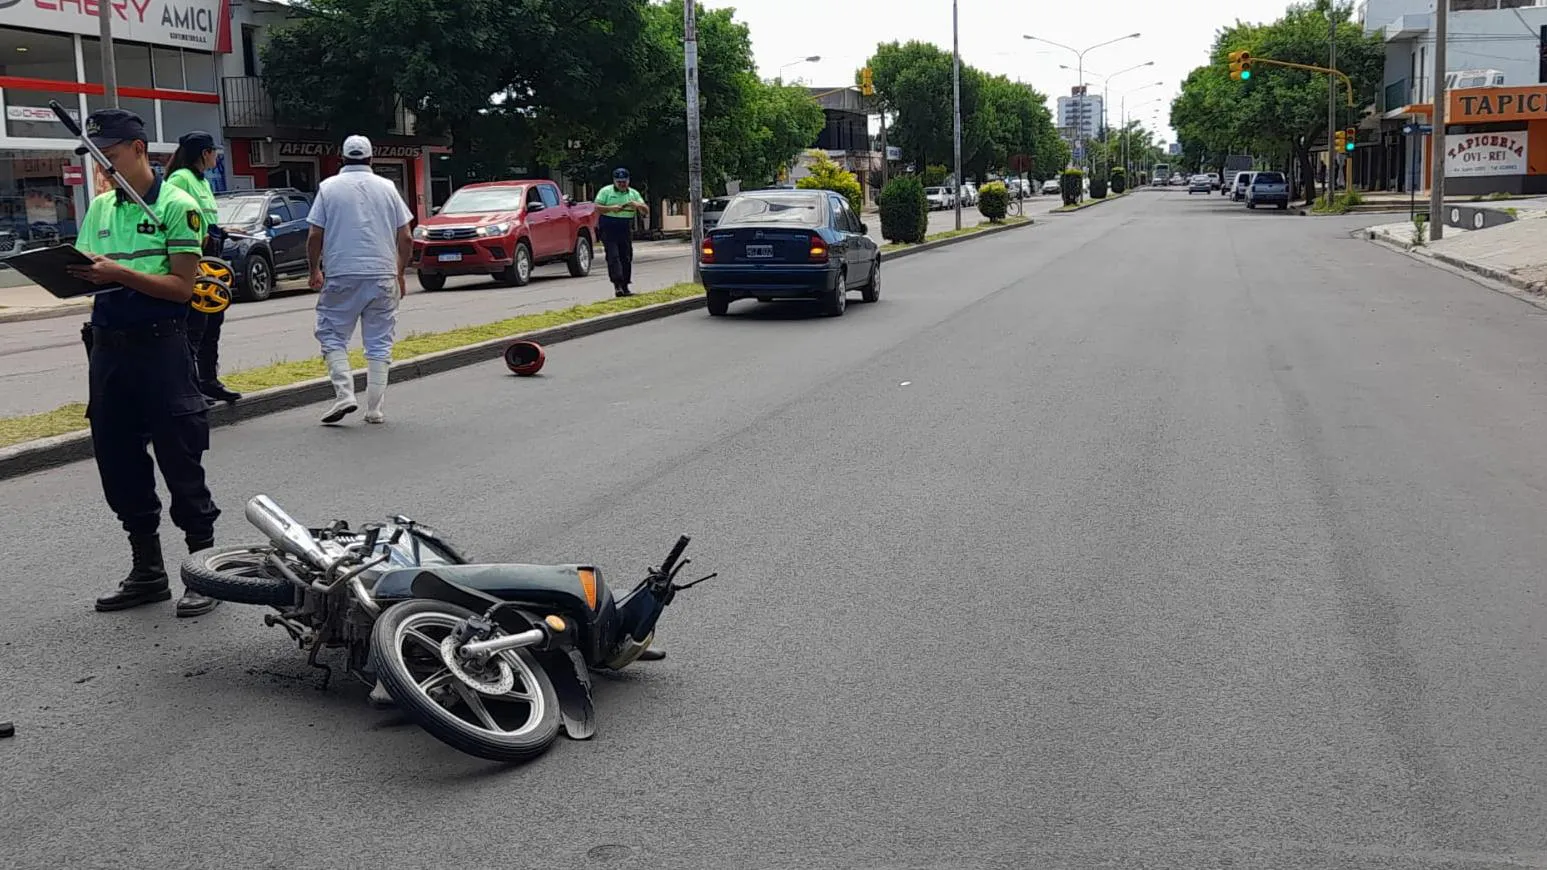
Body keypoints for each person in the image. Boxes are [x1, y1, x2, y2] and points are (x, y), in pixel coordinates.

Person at [67, 108, 222, 618]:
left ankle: (205, 569)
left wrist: (121, 274)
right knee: (118, 460)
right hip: (109, 350)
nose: (103, 172)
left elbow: (182, 288)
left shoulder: (178, 206)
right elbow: (90, 272)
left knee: (180, 457)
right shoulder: (101, 209)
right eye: (96, 163)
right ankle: (147, 571)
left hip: (161, 345)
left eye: (109, 159)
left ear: (138, 149)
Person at [306, 134, 414, 425]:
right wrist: (400, 272)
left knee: (331, 334)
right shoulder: (388, 188)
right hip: (382, 273)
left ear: (342, 158)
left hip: (342, 272)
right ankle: (375, 409)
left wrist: (314, 270)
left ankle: (344, 394)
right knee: (380, 343)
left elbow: (315, 235)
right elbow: (406, 237)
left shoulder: (328, 188)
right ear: (371, 158)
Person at [164, 130, 239, 406]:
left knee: (212, 322)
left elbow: (204, 218)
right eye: (214, 152)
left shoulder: (201, 180)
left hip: (212, 255)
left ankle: (209, 380)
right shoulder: (180, 179)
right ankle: (190, 388)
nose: (217, 156)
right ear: (204, 153)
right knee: (194, 326)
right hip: (195, 256)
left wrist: (223, 230)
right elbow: (180, 219)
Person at [593, 167, 649, 297]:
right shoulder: (606, 191)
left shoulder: (633, 193)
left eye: (624, 181)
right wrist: (611, 208)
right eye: (619, 182)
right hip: (608, 225)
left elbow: (645, 210)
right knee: (613, 256)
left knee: (626, 256)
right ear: (614, 181)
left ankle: (625, 285)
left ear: (628, 181)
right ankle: (617, 285)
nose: (622, 184)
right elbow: (596, 207)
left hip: (625, 226)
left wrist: (638, 205)